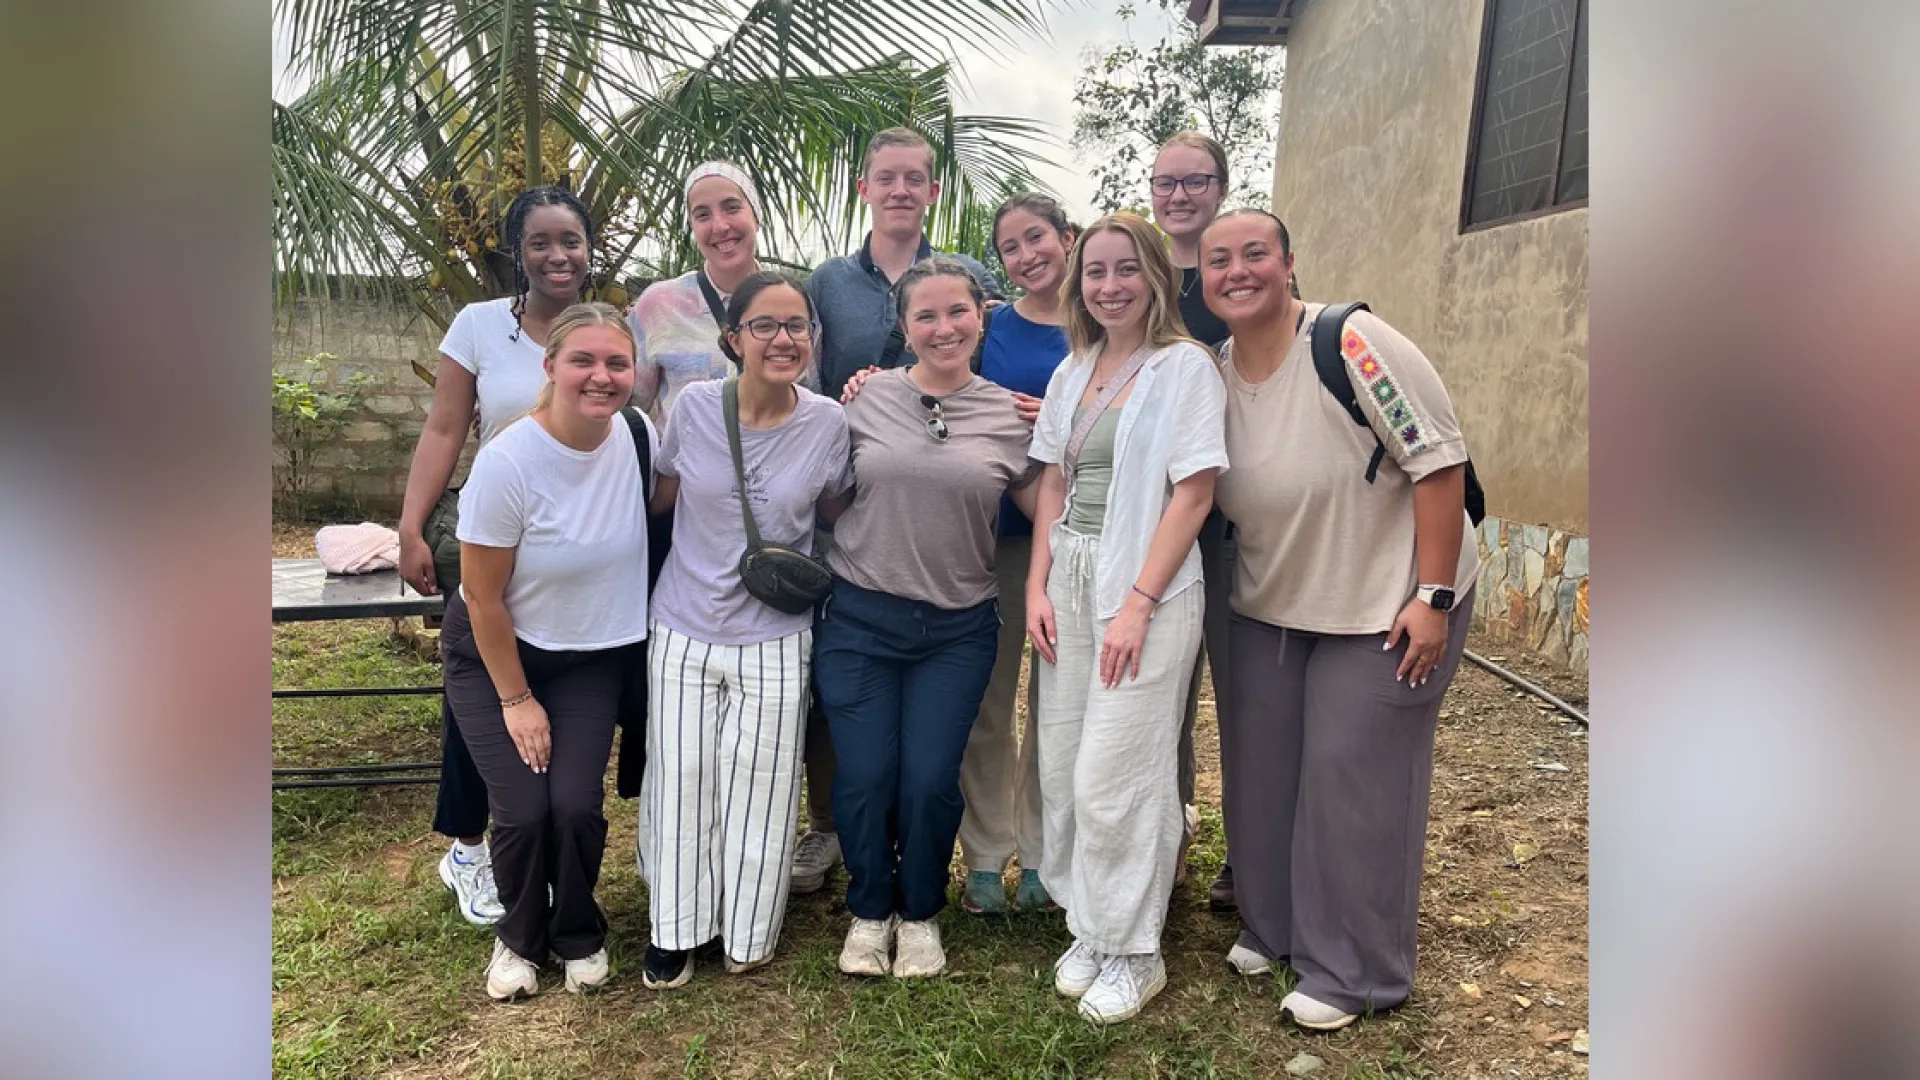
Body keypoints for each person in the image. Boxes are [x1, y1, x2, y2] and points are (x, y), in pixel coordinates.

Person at [1199, 209, 1481, 1031]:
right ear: (1203, 280)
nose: (1238, 270)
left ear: (1291, 261)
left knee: (1352, 780)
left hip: (1388, 604)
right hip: (1272, 601)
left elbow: (1439, 462)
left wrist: (1431, 598)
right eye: (1220, 260)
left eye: (1256, 253)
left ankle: (1355, 969)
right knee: (1263, 772)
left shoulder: (1351, 343)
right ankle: (1277, 925)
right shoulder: (1211, 370)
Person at [814, 257, 1039, 980]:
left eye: (957, 313)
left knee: (930, 777)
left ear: (982, 316)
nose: (943, 328)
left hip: (958, 627)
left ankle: (919, 914)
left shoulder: (1011, 413)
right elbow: (820, 487)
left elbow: (1054, 508)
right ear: (904, 328)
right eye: (926, 316)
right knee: (867, 773)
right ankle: (868, 909)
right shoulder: (864, 398)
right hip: (859, 617)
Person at [1026, 213, 1226, 1025]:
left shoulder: (1186, 368)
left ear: (1156, 277)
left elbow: (1195, 491)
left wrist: (1138, 604)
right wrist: (1037, 586)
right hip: (1070, 573)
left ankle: (1135, 951)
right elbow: (1049, 483)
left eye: (1125, 270)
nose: (1108, 286)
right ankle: (1091, 924)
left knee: (1121, 773)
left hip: (1145, 584)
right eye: (1095, 272)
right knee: (1064, 759)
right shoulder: (1075, 368)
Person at [791, 126, 999, 898]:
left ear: (935, 190)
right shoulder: (828, 281)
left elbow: (990, 373)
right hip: (859, 505)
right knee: (852, 727)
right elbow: (807, 378)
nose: (902, 189)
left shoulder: (966, 274)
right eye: (888, 177)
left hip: (955, 513)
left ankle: (952, 865)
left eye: (917, 177)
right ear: (865, 188)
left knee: (939, 746)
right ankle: (844, 842)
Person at [636, 272, 851, 990]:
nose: (782, 339)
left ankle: (749, 930)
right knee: (682, 778)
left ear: (812, 340)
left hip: (776, 632)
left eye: (797, 326)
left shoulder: (827, 423)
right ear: (733, 338)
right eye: (764, 325)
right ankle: (674, 929)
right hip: (684, 625)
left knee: (761, 788)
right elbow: (661, 500)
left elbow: (832, 514)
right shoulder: (693, 408)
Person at [439, 301, 658, 1001]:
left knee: (573, 805)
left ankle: (578, 930)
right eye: (583, 361)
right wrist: (516, 699)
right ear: (550, 368)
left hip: (589, 659)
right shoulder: (509, 463)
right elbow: (482, 599)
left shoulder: (637, 434)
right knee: (524, 809)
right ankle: (520, 939)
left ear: (634, 373)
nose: (601, 376)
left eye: (616, 363)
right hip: (495, 654)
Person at [396, 186, 598, 928]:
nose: (557, 255)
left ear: (589, 247)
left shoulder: (602, 328)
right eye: (541, 242)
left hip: (577, 545)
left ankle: (536, 839)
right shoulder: (479, 326)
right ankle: (469, 847)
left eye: (570, 240)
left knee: (551, 685)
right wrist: (412, 525)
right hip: (493, 540)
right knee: (477, 691)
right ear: (517, 251)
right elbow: (446, 428)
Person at [954, 192, 1076, 915]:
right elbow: (941, 392)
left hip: (1075, 541)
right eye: (1010, 247)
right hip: (991, 538)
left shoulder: (1105, 324)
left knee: (1057, 706)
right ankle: (986, 855)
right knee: (989, 703)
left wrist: (1056, 418)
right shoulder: (989, 328)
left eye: (1038, 238)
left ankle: (1042, 855)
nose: (1027, 255)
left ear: (1068, 237)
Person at [1149, 130, 1238, 911]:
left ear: (1220, 185)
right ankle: (1165, 841)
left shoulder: (1238, 266)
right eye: (1166, 183)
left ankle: (1247, 853)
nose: (1179, 195)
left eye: (1195, 181)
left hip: (1237, 511)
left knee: (1245, 691)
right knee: (1164, 692)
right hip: (1158, 515)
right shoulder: (1139, 272)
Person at [629, 162, 819, 425]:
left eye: (732, 208)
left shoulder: (795, 303)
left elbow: (811, 400)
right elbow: (627, 408)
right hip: (683, 465)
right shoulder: (659, 306)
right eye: (702, 215)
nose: (719, 226)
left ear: (756, 216)